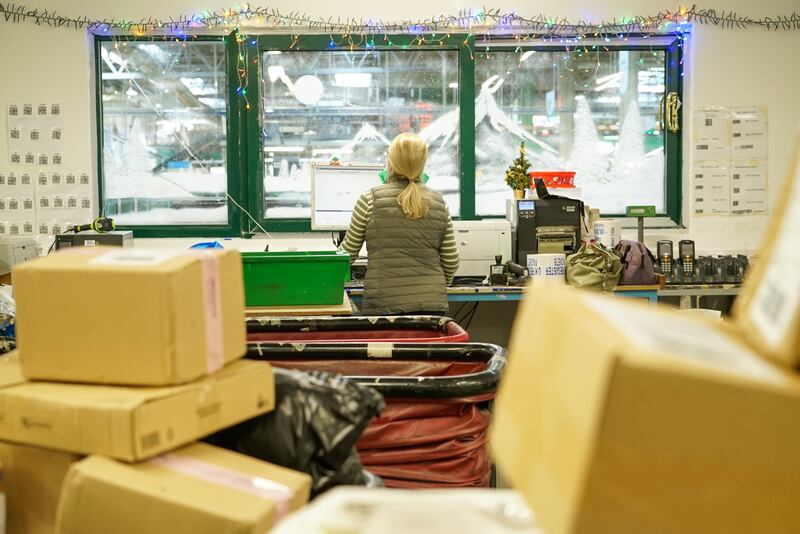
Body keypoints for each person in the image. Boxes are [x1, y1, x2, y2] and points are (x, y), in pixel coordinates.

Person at [340, 132, 459, 315]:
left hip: (383, 307)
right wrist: (434, 286)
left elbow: (346, 257)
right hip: (431, 309)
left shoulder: (370, 199)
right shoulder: (439, 202)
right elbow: (451, 261)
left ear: (390, 162)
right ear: (422, 164)